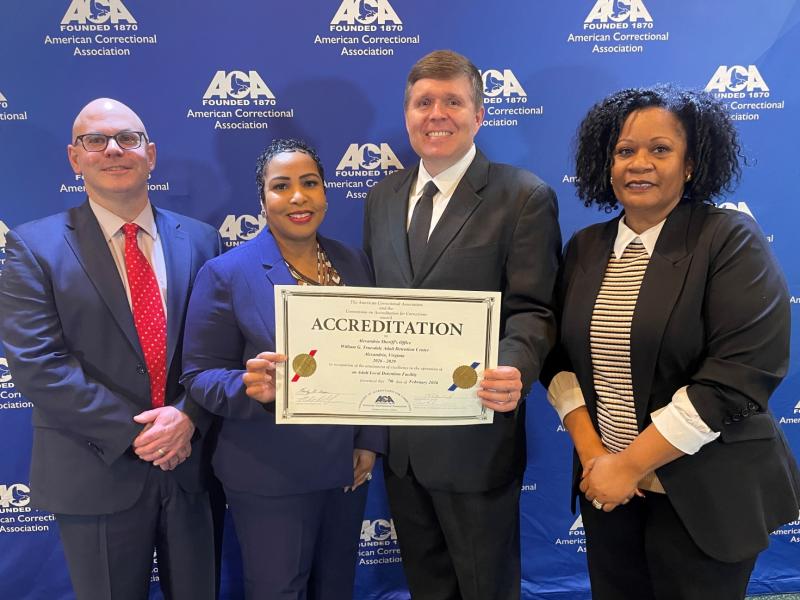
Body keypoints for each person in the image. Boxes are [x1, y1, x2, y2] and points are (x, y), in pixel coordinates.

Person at [544, 85, 800, 600]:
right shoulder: (585, 247)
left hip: (706, 492)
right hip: (609, 491)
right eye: (624, 151)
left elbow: (736, 377)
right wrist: (599, 460)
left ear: (690, 165)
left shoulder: (729, 239)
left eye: (660, 149)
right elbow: (557, 358)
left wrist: (632, 463)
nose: (639, 163)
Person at [0, 98, 222, 600]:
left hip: (192, 465)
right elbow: (38, 364)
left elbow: (219, 350)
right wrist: (143, 433)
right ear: (75, 158)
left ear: (151, 154)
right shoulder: (34, 247)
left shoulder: (203, 240)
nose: (113, 150)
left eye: (127, 138)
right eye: (95, 141)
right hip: (95, 468)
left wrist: (187, 417)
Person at [363, 50, 561, 600]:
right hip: (401, 442)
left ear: (479, 115)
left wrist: (514, 366)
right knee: (426, 584)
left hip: (475, 435)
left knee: (484, 586)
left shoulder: (523, 196)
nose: (437, 114)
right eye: (424, 102)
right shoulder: (381, 198)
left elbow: (534, 309)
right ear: (407, 115)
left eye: (453, 101)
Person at [181, 138, 386, 600]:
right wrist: (246, 386)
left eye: (310, 183)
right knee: (278, 590)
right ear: (262, 200)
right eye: (282, 186)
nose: (298, 197)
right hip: (269, 471)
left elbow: (376, 359)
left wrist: (370, 441)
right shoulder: (226, 272)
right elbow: (198, 375)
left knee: (335, 589)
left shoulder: (353, 262)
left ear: (326, 194)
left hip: (345, 468)